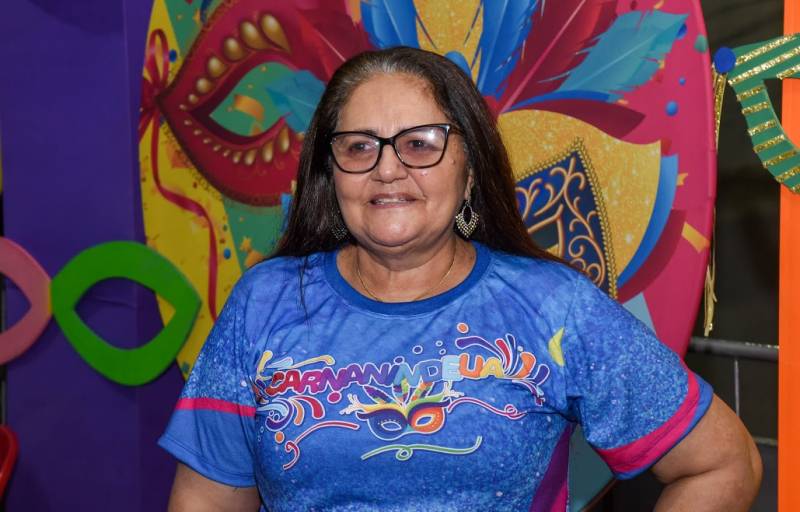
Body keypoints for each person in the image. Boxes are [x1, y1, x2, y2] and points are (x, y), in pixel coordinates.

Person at [160, 47, 762, 511]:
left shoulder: (553, 307)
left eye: (420, 144)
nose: (387, 169)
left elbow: (721, 464)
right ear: (330, 174)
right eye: (360, 146)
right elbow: (205, 501)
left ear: (469, 170)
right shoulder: (264, 304)